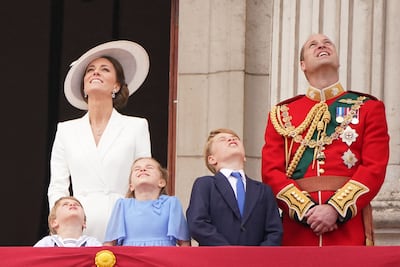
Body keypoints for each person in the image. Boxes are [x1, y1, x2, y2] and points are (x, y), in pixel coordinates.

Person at [261, 33, 390, 246]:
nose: (322, 45)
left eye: (327, 43)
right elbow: (271, 172)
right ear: (303, 65)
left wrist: (336, 209)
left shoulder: (368, 107)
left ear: (338, 61)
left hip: (347, 227)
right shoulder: (282, 114)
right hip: (298, 230)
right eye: (313, 45)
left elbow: (374, 168)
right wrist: (306, 211)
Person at [47, 40, 152, 242]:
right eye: (90, 70)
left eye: (105, 69)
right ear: (84, 86)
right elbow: (58, 185)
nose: (96, 73)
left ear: (117, 85)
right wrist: (61, 224)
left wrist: (141, 223)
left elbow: (143, 180)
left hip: (124, 224)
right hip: (79, 226)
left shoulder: (136, 127)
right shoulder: (66, 130)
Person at [186, 128, 283, 246]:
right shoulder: (205, 185)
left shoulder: (263, 190)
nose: (231, 139)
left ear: (244, 157)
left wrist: (258, 257)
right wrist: (229, 252)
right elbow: (197, 223)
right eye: (223, 139)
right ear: (212, 159)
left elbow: (274, 231)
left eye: (235, 138)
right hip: (215, 260)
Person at [103, 157, 191, 246]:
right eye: (137, 169)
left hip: (163, 257)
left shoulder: (171, 203)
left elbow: (184, 242)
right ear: (131, 186)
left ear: (161, 182)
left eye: (149, 167)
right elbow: (109, 243)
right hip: (130, 257)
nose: (142, 169)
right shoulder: (122, 205)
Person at [34, 196, 102, 247]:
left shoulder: (92, 243)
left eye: (77, 205)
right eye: (65, 204)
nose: (72, 205)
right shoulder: (47, 243)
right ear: (54, 222)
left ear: (84, 222)